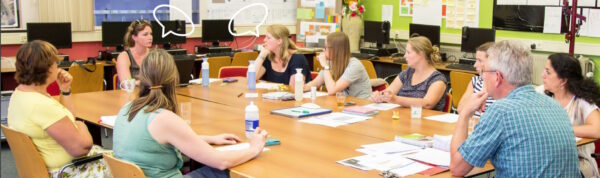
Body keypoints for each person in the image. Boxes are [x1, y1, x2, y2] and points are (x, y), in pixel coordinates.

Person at [113, 49, 268, 178]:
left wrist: (209, 139)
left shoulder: (127, 108)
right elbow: (221, 162)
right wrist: (253, 148)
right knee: (225, 172)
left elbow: (158, 140)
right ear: (174, 81)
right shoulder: (164, 119)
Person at [449, 40, 580, 177]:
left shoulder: (500, 111)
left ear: (498, 77)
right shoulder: (555, 106)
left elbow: (457, 168)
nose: (483, 77)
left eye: (485, 72)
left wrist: (464, 115)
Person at [7, 40, 110, 177]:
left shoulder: (20, 94)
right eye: (56, 63)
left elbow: (68, 119)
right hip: (69, 170)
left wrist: (65, 90)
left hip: (47, 168)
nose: (58, 67)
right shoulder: (41, 105)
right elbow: (81, 148)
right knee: (129, 165)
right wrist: (81, 125)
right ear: (48, 68)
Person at [542, 53, 600, 177]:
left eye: (548, 72)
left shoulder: (581, 102)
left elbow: (597, 129)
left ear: (563, 80)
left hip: (579, 161)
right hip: (550, 159)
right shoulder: (542, 95)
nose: (543, 75)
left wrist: (561, 130)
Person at [369, 36, 447, 111]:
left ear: (421, 54)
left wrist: (395, 99)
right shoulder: (407, 73)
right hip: (403, 119)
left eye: (408, 52)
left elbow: (427, 104)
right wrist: (380, 96)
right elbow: (389, 92)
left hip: (425, 122)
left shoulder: (437, 79)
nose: (404, 56)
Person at [290, 32, 372, 99]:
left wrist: (325, 65)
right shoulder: (331, 63)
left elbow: (332, 90)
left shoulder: (355, 65)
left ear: (336, 49)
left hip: (362, 106)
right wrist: (302, 87)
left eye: (326, 47)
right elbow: (315, 83)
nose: (323, 50)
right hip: (345, 105)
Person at [457, 42, 495, 117]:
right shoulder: (476, 81)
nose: (475, 65)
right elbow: (460, 109)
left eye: (480, 61)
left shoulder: (502, 87)